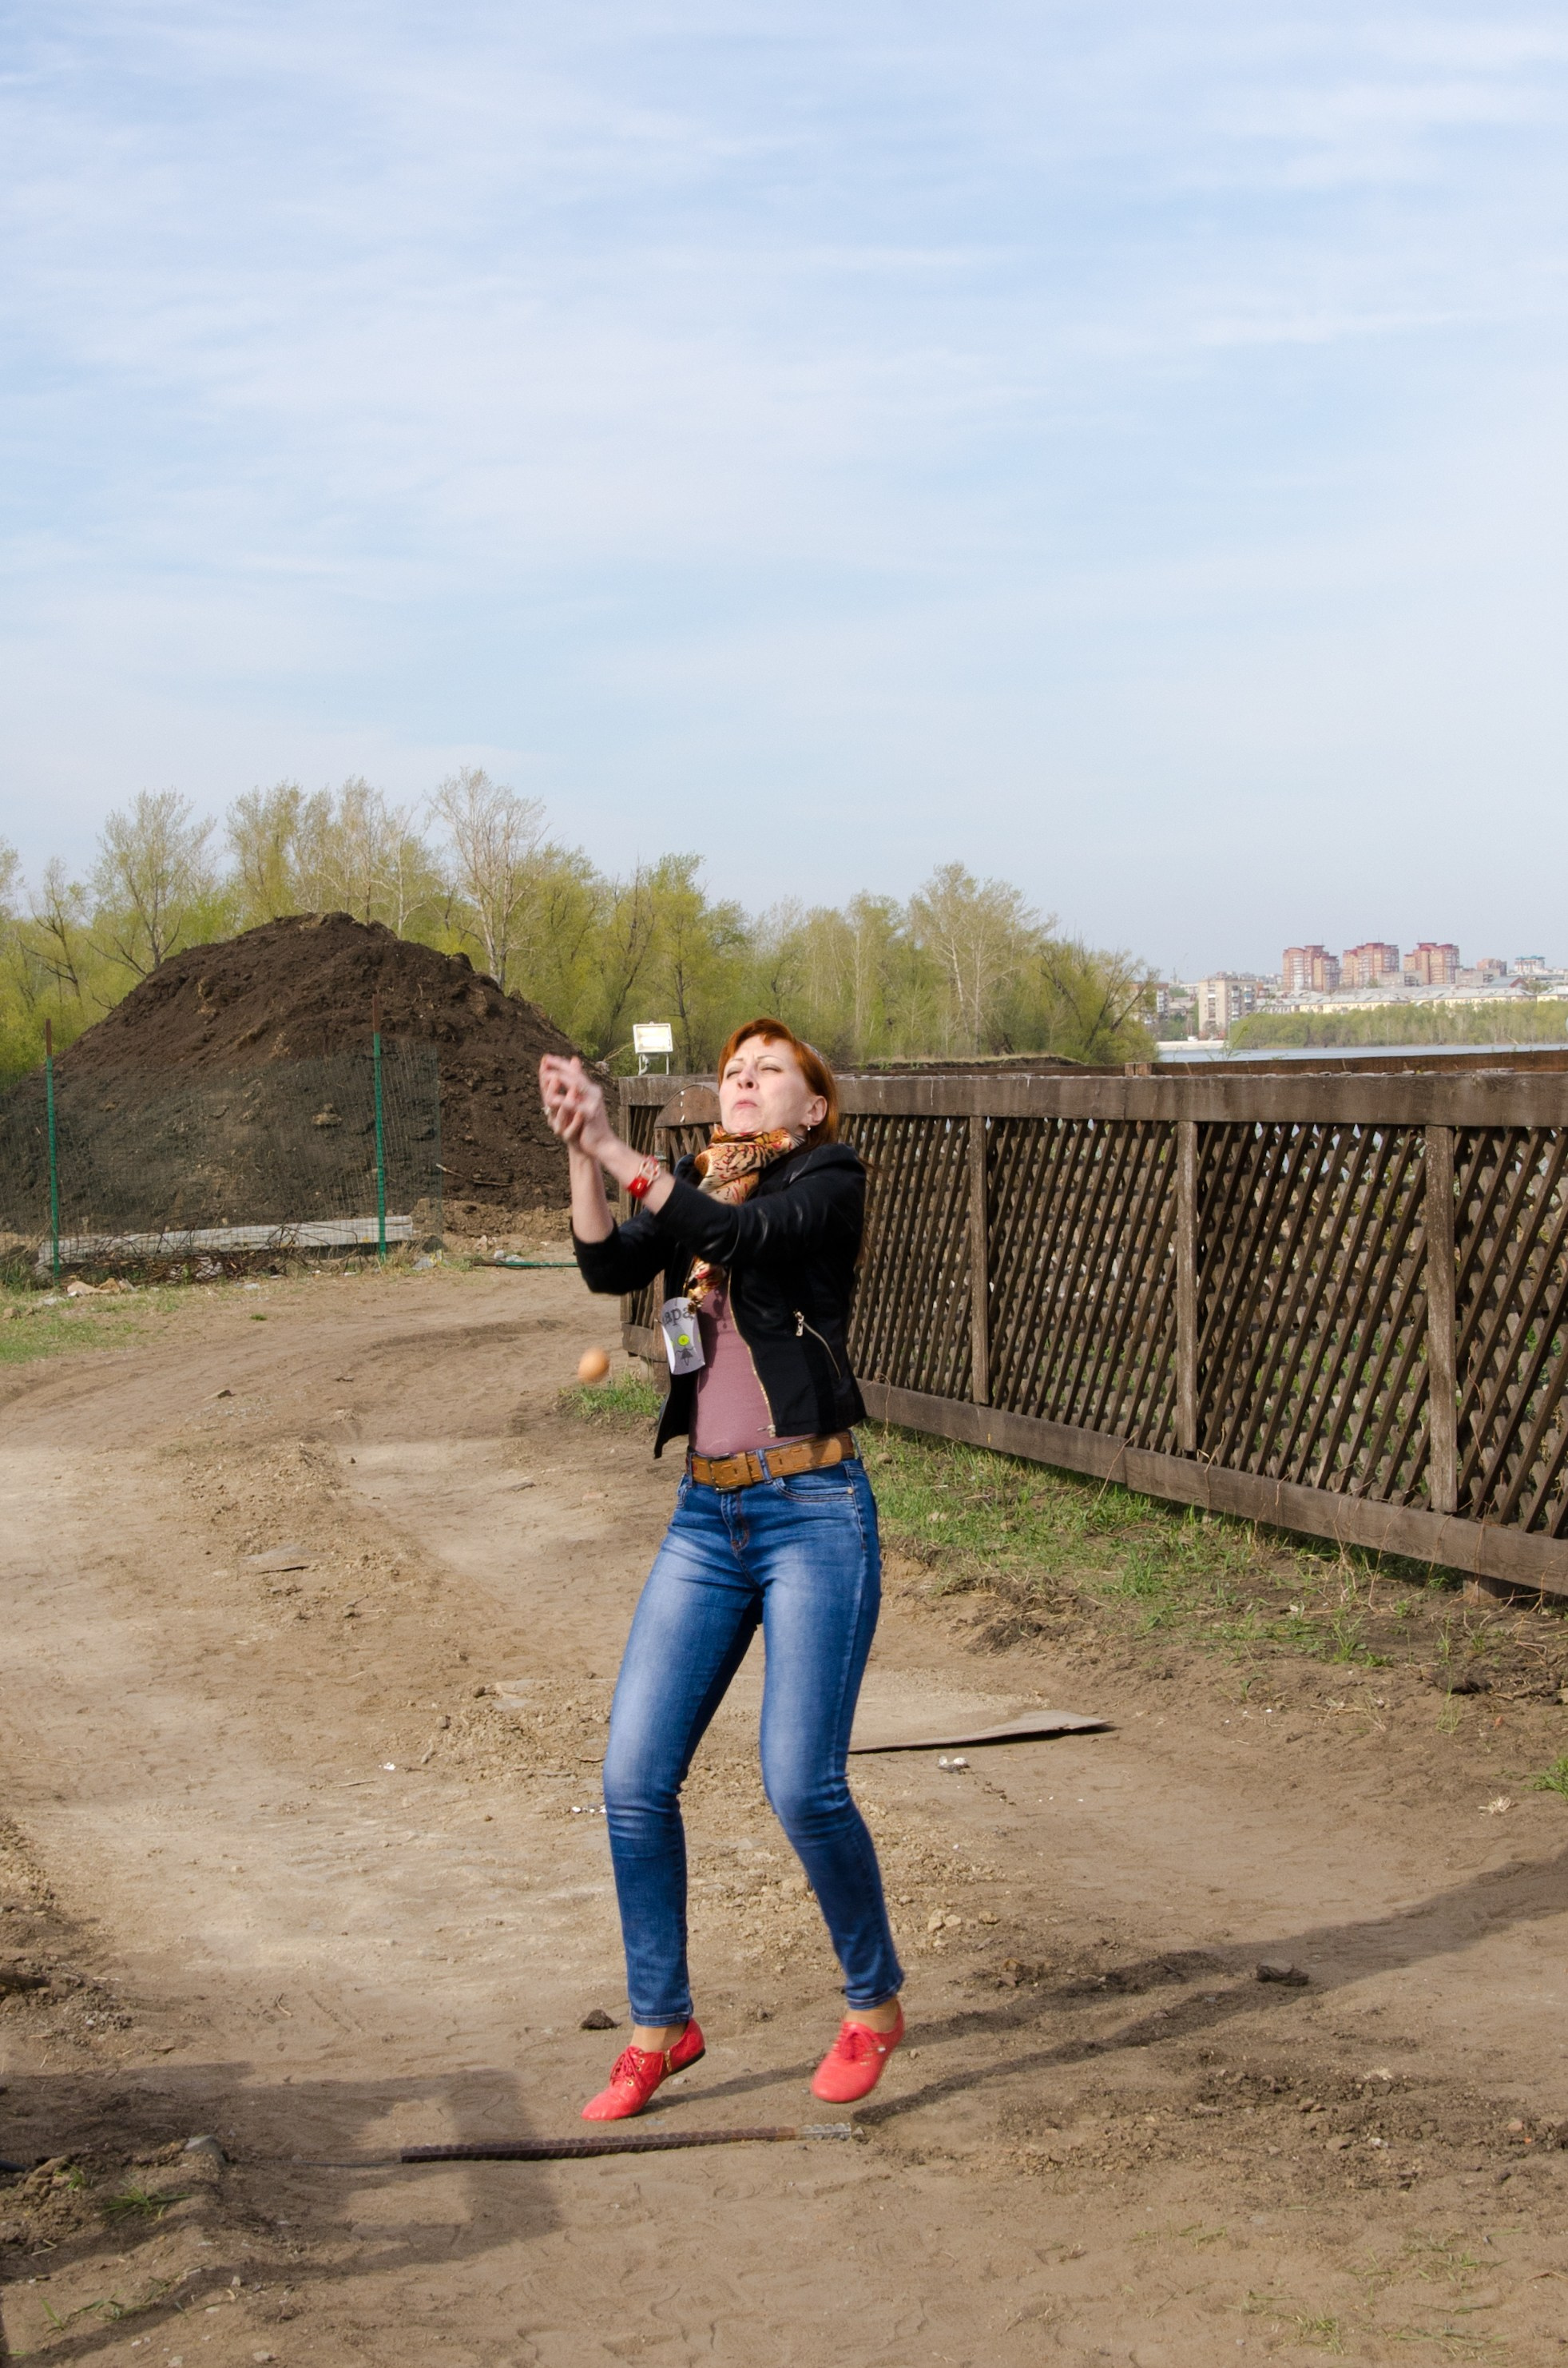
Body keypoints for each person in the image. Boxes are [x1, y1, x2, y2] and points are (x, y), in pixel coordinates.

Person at [538, 1019, 905, 2122]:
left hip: (814, 1512)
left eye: (768, 1070)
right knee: (633, 1781)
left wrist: (619, 1150)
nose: (743, 1079)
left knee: (800, 1782)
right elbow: (609, 1264)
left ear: (812, 1105)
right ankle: (662, 2026)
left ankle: (873, 2000)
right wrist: (580, 1153)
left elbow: (739, 1238)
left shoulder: (828, 1181)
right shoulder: (695, 1180)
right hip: (707, 1518)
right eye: (733, 1069)